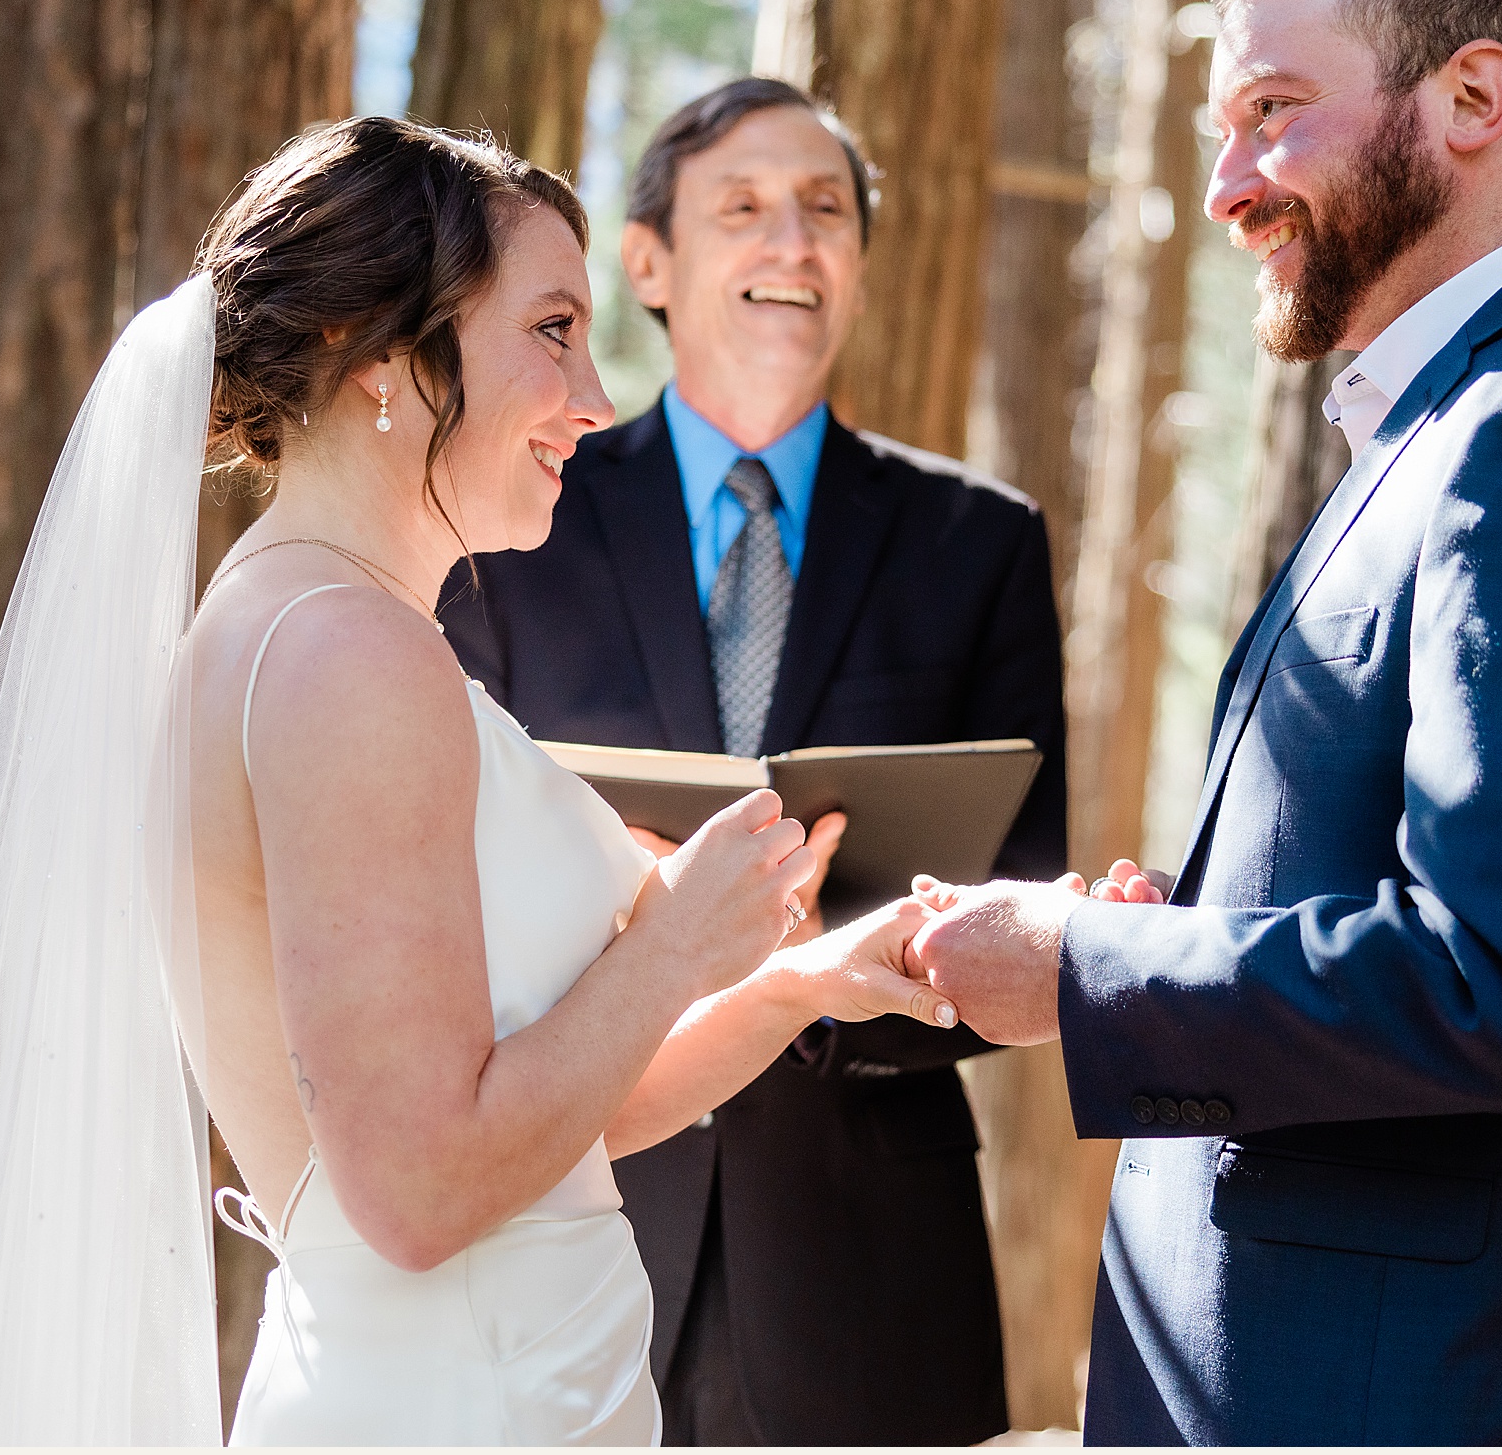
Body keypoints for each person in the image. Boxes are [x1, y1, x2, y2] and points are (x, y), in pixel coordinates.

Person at [0, 117, 959, 1446]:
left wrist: (796, 979)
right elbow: (418, 1187)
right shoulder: (344, 656)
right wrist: (675, 942)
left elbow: (554, 1119)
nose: (596, 396)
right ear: (382, 358)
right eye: (550, 330)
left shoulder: (299, 627)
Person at [910, 0, 1502, 1444]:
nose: (1226, 186)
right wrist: (1184, 927)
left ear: (1474, 96)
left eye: (1270, 110)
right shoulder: (1462, 426)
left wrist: (1079, 972)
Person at [439, 77, 1065, 1446]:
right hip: (572, 1214)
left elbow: (1022, 893)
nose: (793, 242)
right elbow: (450, 869)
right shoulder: (516, 512)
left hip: (868, 1253)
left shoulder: (982, 543)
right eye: (745, 208)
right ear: (649, 261)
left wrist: (852, 963)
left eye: (825, 210)